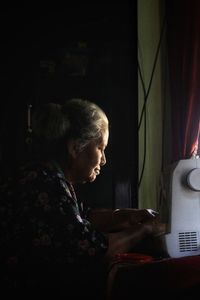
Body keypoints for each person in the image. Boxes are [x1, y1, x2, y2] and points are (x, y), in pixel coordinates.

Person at [0, 98, 166, 298]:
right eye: (100, 148)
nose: (103, 160)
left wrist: (125, 216)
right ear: (75, 147)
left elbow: (80, 218)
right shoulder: (46, 185)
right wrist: (145, 229)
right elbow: (94, 249)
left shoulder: (48, 176)